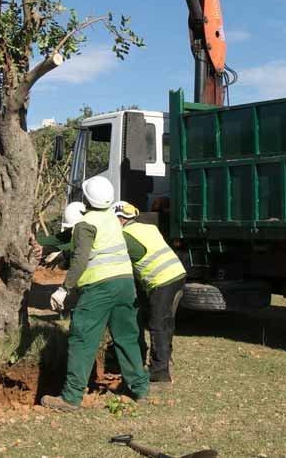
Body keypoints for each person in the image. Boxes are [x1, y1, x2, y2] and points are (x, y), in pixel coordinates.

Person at [40, 176, 149, 411]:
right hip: (125, 284)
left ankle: (71, 397)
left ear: (86, 197)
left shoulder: (85, 224)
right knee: (127, 337)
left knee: (82, 339)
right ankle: (140, 389)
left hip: (100, 288)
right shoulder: (112, 219)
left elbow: (80, 258)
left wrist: (63, 289)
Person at [113, 201, 187, 385]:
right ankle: (165, 359)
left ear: (120, 219)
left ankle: (160, 372)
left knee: (157, 324)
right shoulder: (147, 227)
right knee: (167, 321)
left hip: (161, 280)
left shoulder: (125, 236)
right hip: (178, 274)